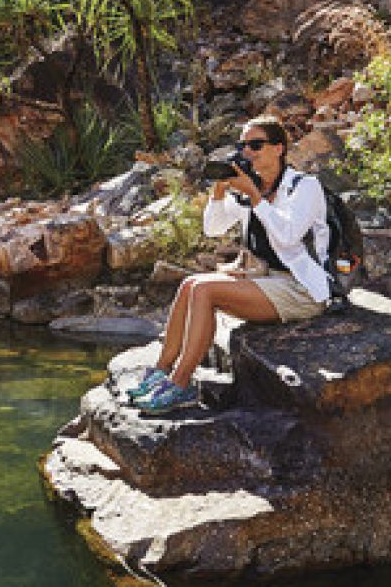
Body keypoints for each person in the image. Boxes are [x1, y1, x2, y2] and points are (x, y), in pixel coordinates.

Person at [128, 116, 332, 414]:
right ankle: (160, 372)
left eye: (256, 145)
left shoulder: (305, 187)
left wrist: (254, 196)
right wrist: (220, 191)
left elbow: (288, 237)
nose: (247, 152)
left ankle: (181, 385)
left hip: (303, 290)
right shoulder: (252, 187)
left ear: (278, 148)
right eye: (243, 146)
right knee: (190, 284)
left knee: (205, 292)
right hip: (269, 280)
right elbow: (212, 228)